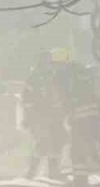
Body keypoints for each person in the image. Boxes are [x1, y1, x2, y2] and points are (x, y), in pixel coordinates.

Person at [22, 51, 67, 179]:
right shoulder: (35, 78)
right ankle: (33, 172)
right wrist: (30, 117)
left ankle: (51, 171)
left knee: (55, 142)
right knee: (44, 143)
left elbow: (59, 96)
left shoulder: (52, 76)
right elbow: (27, 100)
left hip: (52, 116)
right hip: (40, 116)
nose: (49, 65)